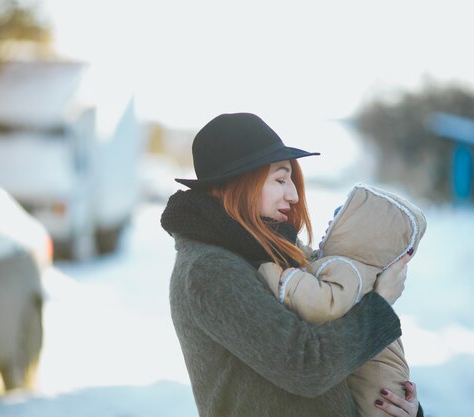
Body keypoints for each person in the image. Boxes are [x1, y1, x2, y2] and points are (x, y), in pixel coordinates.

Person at [160, 112, 422, 417]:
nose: (294, 195)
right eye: (281, 179)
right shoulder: (209, 270)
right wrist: (380, 304)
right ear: (238, 183)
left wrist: (397, 407)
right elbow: (306, 367)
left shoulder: (275, 254)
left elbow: (341, 370)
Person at [258, 183, 427, 417]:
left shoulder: (350, 270)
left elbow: (323, 303)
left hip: (381, 399)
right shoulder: (355, 268)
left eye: (341, 217)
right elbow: (311, 263)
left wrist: (278, 275)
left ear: (362, 234)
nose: (331, 222)